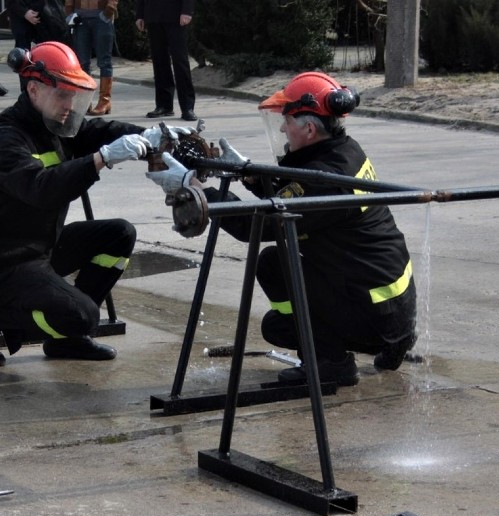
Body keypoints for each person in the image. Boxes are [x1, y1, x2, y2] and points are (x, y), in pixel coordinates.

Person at [146, 71, 418, 386]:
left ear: (310, 128)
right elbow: (290, 195)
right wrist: (249, 174)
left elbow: (255, 224)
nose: (282, 128)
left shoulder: (323, 179)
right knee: (280, 321)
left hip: (373, 312)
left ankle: (330, 362)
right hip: (394, 305)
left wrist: (196, 190)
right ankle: (391, 341)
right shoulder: (342, 152)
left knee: (274, 282)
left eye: (287, 122)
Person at [0, 41, 192, 367]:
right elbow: (42, 189)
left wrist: (155, 136)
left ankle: (65, 340)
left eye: (74, 95)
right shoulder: (5, 138)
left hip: (37, 249)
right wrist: (101, 160)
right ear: (34, 90)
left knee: (119, 234)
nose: (70, 104)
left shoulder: (55, 123)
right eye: (62, 95)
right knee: (84, 316)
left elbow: (99, 131)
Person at [135, 0, 197, 122]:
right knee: (159, 61)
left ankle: (187, 107)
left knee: (180, 61)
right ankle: (164, 105)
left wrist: (187, 10)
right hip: (153, 15)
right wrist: (139, 14)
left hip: (176, 14)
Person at [65, 0, 118, 116]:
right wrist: (69, 11)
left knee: (104, 62)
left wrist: (108, 11)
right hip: (80, 17)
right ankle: (85, 102)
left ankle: (105, 101)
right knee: (82, 63)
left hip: (101, 16)